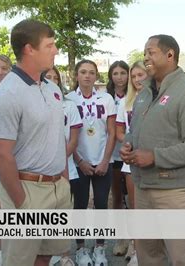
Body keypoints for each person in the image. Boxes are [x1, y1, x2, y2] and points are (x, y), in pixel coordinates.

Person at [120, 34, 185, 266]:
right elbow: (134, 130)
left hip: (176, 191)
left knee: (184, 258)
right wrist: (128, 144)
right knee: (149, 256)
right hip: (144, 188)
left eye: (151, 52)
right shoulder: (144, 94)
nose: (145, 58)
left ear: (170, 55)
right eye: (144, 53)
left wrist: (155, 156)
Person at [0, 19, 72, 266]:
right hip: (27, 190)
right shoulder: (6, 95)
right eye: (50, 45)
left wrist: (63, 180)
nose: (56, 50)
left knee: (45, 255)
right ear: (28, 49)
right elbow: (1, 155)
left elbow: (56, 138)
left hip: (57, 187)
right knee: (19, 261)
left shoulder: (52, 88)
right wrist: (21, 202)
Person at [66, 59, 116, 266]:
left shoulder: (106, 98)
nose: (87, 76)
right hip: (79, 162)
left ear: (96, 76)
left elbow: (112, 132)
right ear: (76, 75)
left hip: (103, 160)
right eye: (83, 72)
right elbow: (67, 135)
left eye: (92, 72)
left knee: (102, 204)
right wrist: (79, 160)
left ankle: (100, 247)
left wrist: (105, 160)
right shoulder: (68, 99)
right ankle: (80, 248)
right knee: (79, 205)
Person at [44, 66, 82, 266]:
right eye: (47, 77)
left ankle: (65, 255)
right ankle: (45, 256)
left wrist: (59, 157)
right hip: (41, 169)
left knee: (64, 213)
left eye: (54, 77)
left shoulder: (70, 106)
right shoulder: (37, 103)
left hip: (66, 167)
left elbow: (74, 139)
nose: (51, 80)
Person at [115, 60, 148, 266]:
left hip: (153, 160)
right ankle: (136, 248)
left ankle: (153, 250)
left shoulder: (158, 98)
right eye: (134, 76)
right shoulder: (125, 102)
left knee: (152, 208)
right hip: (130, 162)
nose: (137, 79)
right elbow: (119, 131)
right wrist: (127, 143)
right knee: (136, 207)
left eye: (141, 75)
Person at [106, 60, 131, 257]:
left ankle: (134, 240)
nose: (120, 77)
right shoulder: (105, 97)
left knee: (133, 198)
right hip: (112, 154)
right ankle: (121, 238)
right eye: (116, 73)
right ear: (111, 76)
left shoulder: (135, 96)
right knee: (117, 198)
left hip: (131, 153)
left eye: (123, 73)